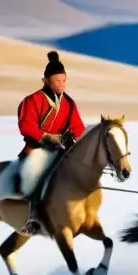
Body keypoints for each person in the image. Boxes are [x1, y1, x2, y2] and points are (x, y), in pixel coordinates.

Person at [15, 50, 87, 235]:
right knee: (36, 176)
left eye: (64, 80)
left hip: (60, 150)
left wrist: (71, 136)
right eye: (58, 80)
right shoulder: (32, 100)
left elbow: (78, 127)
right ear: (45, 81)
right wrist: (46, 136)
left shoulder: (69, 103)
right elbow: (25, 125)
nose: (62, 84)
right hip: (36, 149)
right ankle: (32, 218)